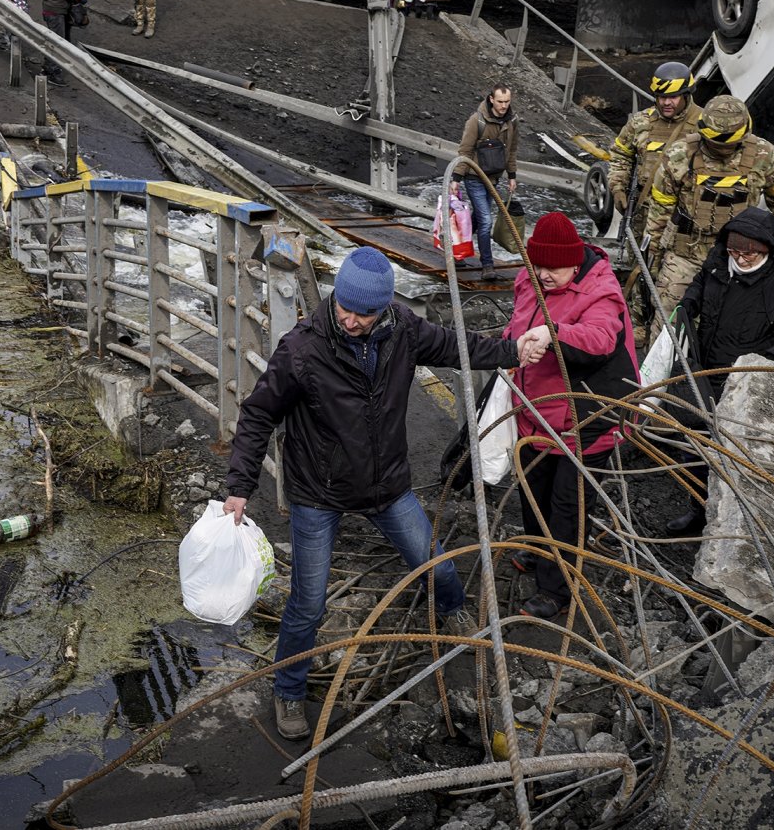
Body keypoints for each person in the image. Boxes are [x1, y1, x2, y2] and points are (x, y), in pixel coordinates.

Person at [223, 247, 529, 742]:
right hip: (318, 492)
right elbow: (259, 414)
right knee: (308, 602)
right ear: (334, 296)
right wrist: (239, 486)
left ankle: (454, 613)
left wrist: (514, 350)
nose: (351, 320)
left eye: (364, 313)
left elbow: (457, 346)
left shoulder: (403, 329)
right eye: (344, 307)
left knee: (437, 565)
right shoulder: (302, 349)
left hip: (386, 484)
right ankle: (288, 688)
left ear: (383, 308)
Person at [503, 213, 641, 620]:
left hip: (584, 418)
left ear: (575, 263)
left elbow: (601, 338)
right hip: (534, 410)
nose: (544, 275)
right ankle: (537, 552)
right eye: (538, 265)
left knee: (567, 505)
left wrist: (553, 332)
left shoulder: (601, 289)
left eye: (554, 268)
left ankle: (556, 589)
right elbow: (517, 323)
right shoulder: (528, 279)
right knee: (533, 488)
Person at [663, 208, 774, 534]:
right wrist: (689, 303)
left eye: (750, 253)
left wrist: (768, 362)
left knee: (732, 451)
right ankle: (699, 509)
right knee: (695, 443)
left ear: (767, 249)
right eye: (736, 251)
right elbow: (699, 282)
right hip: (705, 369)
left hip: (744, 380)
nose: (742, 258)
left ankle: (734, 518)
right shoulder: (719, 262)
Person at [643, 94, 774, 326]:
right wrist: (652, 260)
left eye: (728, 144)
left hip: (743, 258)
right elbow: (659, 212)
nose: (723, 149)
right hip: (686, 254)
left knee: (737, 325)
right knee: (669, 321)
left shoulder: (764, 155)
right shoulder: (680, 155)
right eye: (716, 143)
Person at [609, 61, 705, 351]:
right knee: (643, 267)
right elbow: (620, 154)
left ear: (686, 94)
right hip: (646, 211)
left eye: (672, 97)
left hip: (686, 216)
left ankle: (682, 326)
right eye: (661, 97)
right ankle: (639, 322)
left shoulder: (705, 123)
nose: (666, 102)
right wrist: (618, 185)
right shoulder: (641, 122)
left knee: (678, 271)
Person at [453, 83, 519, 281]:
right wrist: (456, 178)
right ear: (491, 99)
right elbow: (464, 151)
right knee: (486, 221)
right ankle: (487, 265)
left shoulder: (513, 121)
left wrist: (512, 175)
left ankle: (456, 248)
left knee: (478, 219)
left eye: (507, 102)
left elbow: (512, 149)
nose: (503, 106)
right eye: (500, 101)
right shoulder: (477, 121)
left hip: (494, 178)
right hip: (474, 177)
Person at [33, 0, 81, 88]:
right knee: (57, 43)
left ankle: (48, 68)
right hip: (58, 11)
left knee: (52, 39)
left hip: (47, 9)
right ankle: (52, 72)